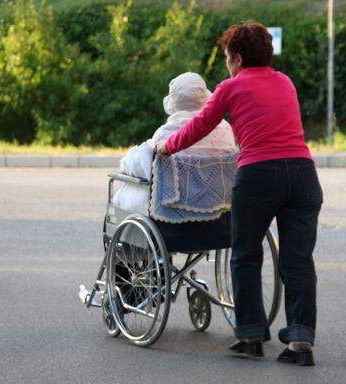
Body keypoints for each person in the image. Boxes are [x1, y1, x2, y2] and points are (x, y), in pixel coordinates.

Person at [155, 22, 323, 366]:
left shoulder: (230, 87)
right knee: (299, 260)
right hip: (304, 176)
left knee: (245, 254)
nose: (227, 64)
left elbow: (199, 125)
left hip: (259, 175)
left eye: (228, 57)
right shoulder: (286, 82)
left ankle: (250, 336)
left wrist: (165, 147)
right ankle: (301, 340)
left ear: (239, 58)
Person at [113, 72, 235, 213]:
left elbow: (141, 166)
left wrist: (127, 163)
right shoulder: (225, 130)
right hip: (220, 206)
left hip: (174, 207)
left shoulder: (165, 134)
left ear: (174, 102)